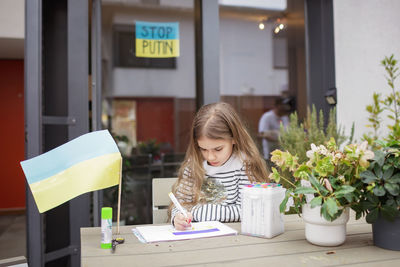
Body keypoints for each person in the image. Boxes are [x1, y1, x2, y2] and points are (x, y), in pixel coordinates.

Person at [169, 102, 269, 230]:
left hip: (234, 238)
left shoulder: (244, 166)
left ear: (234, 139)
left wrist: (196, 213)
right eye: (203, 149)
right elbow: (181, 204)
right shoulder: (194, 166)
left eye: (218, 149)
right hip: (196, 237)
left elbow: (247, 209)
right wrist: (177, 217)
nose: (210, 156)